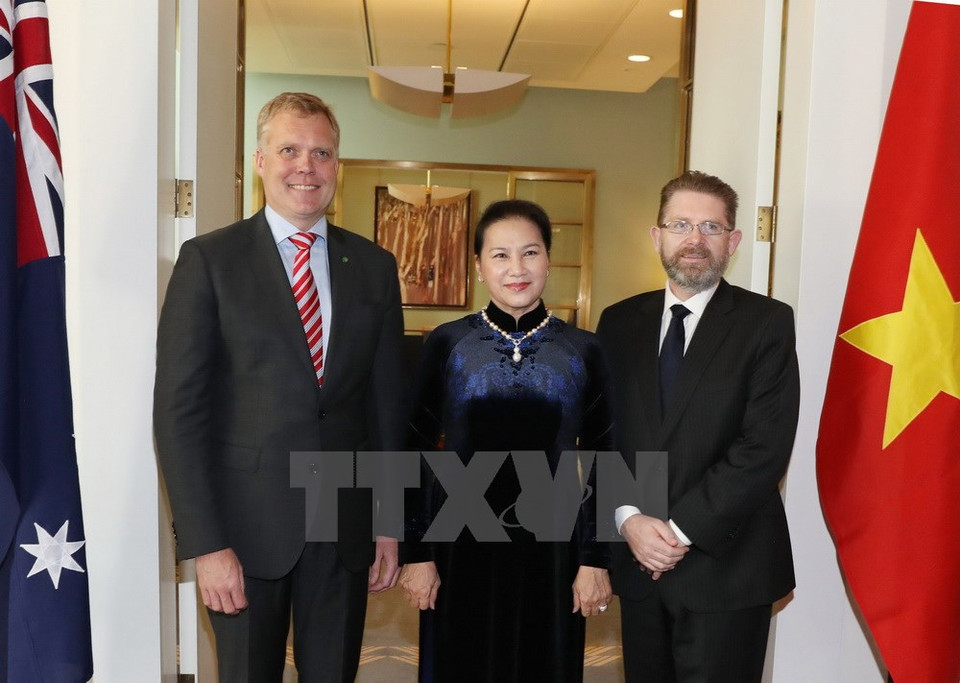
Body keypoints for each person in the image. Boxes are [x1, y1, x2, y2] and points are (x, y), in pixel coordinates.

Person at [153, 92, 405, 682]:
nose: (306, 167)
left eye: (322, 153)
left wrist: (389, 521)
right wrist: (206, 544)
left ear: (337, 165)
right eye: (290, 150)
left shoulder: (374, 267)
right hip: (244, 533)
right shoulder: (209, 260)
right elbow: (178, 415)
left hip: (344, 528)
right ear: (261, 160)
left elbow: (386, 406)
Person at [397, 199, 615, 683]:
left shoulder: (585, 349)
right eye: (500, 255)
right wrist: (417, 554)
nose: (517, 269)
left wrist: (595, 560)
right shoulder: (446, 342)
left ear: (548, 260)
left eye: (530, 252)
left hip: (554, 547)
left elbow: (608, 454)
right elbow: (412, 448)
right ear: (479, 266)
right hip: (457, 542)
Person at [596, 170, 800, 683]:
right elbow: (603, 437)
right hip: (639, 564)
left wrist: (677, 532)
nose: (695, 239)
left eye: (711, 227)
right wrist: (627, 519)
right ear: (657, 236)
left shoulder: (767, 322)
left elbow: (763, 448)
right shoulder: (617, 322)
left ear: (733, 241)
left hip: (728, 568)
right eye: (681, 224)